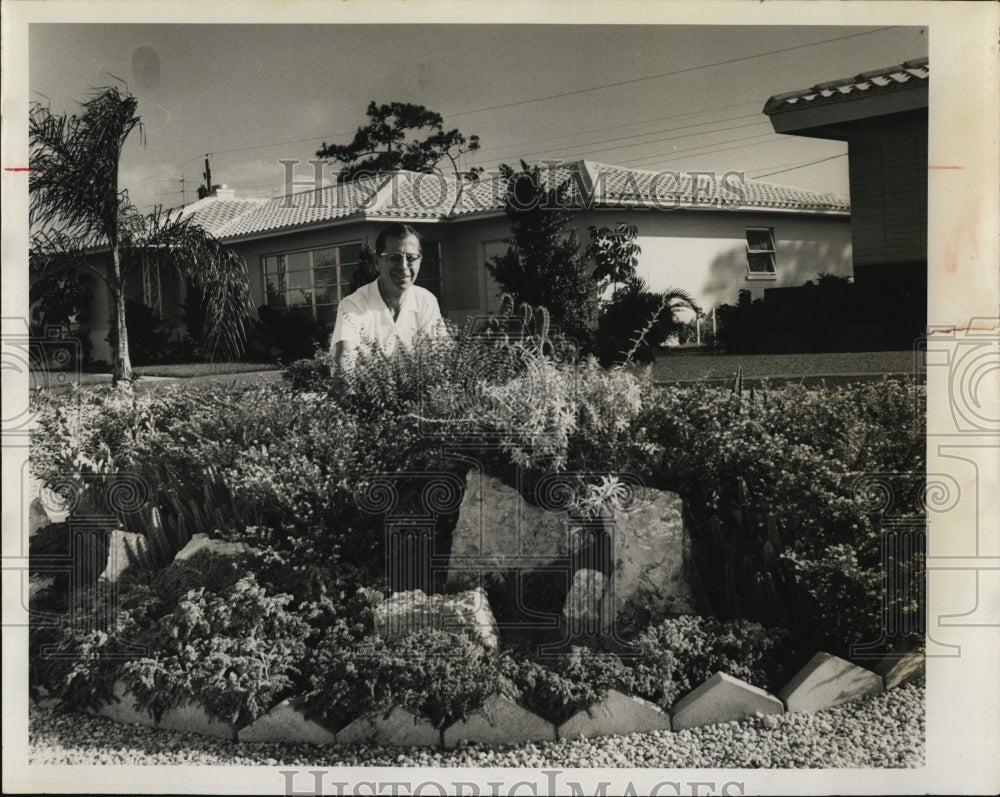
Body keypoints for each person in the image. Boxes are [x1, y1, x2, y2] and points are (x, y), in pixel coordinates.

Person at [330, 223, 445, 370]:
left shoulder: (426, 301)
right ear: (378, 262)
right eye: (394, 257)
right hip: (365, 392)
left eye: (411, 258)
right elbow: (344, 360)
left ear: (419, 262)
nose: (404, 266)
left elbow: (441, 356)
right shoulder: (353, 305)